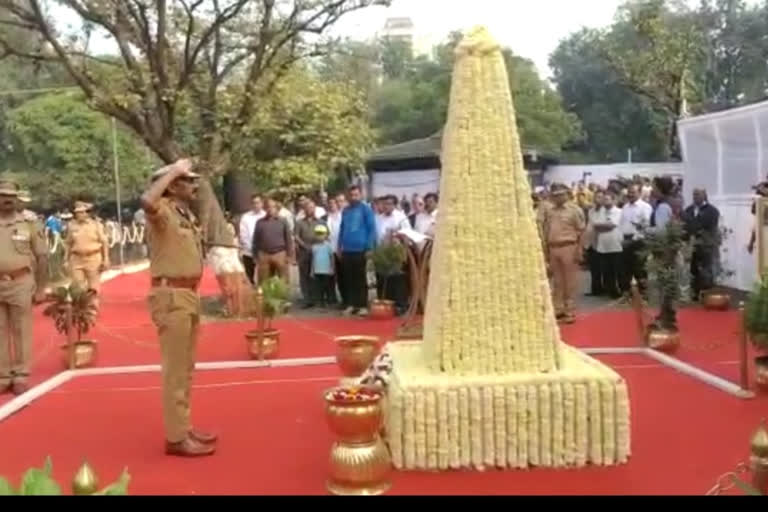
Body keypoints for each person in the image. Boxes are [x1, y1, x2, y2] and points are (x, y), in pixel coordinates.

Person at [141, 159, 216, 457]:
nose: (194, 185)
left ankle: (182, 428)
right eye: (188, 180)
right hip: (171, 295)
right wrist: (172, 170)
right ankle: (175, 438)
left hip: (187, 295)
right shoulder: (162, 212)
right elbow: (148, 199)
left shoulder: (184, 215)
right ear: (173, 185)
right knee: (175, 371)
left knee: (186, 369)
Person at [0, 180, 47, 395]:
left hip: (21, 282)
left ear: (17, 198)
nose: (6, 199)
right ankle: (3, 375)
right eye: (2, 195)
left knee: (21, 329)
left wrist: (41, 288)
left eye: (11, 195)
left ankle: (20, 374)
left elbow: (42, 256)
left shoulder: (28, 224)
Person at [541, 183, 586, 324]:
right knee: (557, 281)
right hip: (553, 247)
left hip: (569, 246)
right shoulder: (550, 211)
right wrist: (546, 251)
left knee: (569, 280)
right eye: (555, 195)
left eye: (561, 194)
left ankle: (569, 309)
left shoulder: (574, 210)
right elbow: (547, 231)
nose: (558, 197)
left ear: (567, 194)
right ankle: (558, 308)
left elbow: (581, 231)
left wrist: (580, 249)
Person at [338, 185, 377, 317]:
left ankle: (362, 305)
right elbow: (342, 229)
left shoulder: (366, 210)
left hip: (361, 249)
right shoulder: (346, 211)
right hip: (347, 249)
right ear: (348, 196)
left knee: (360, 278)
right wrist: (339, 246)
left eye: (356, 195)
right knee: (348, 278)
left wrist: (369, 247)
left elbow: (372, 229)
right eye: (352, 195)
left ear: (360, 195)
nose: (354, 197)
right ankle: (350, 304)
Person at [66, 201, 109, 303]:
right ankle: (81, 311)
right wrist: (65, 259)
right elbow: (68, 243)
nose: (79, 214)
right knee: (78, 287)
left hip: (93, 258)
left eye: (82, 212)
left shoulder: (96, 225)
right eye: (77, 212)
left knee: (93, 288)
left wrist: (106, 258)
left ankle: (92, 310)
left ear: (87, 213)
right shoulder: (71, 226)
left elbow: (104, 242)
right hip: (76, 259)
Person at [682, 188, 720, 301]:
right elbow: (685, 226)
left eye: (697, 194)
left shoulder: (712, 211)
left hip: (706, 245)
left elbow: (706, 226)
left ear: (704, 195)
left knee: (706, 269)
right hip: (692, 244)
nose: (695, 197)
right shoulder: (689, 210)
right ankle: (695, 293)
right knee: (693, 269)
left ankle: (706, 293)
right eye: (694, 194)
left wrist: (694, 226)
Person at [252, 198, 293, 283]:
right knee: (263, 281)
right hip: (264, 255)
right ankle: (267, 296)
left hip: (280, 253)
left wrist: (289, 255)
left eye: (273, 207)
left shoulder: (283, 221)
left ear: (276, 208)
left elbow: (288, 238)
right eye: (268, 207)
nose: (270, 209)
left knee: (284, 280)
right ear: (265, 209)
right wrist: (255, 255)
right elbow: (255, 240)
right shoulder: (260, 222)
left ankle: (283, 296)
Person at [311, 224, 336, 307]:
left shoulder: (328, 245)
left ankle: (329, 301)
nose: (320, 236)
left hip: (326, 270)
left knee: (327, 287)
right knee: (319, 287)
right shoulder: (314, 246)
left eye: (322, 234)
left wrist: (332, 268)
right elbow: (313, 259)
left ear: (325, 235)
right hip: (317, 270)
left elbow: (332, 257)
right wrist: (312, 270)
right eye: (318, 234)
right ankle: (320, 301)